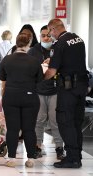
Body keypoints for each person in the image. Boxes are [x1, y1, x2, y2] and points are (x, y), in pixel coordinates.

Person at [45, 18, 88, 168]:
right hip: (82, 87)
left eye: (50, 32)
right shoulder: (78, 39)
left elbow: (51, 71)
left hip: (68, 89)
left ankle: (71, 158)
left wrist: (39, 77)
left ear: (53, 29)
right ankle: (77, 156)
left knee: (65, 122)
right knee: (76, 123)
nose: (50, 35)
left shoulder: (60, 44)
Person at [0, 34, 43, 168]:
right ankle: (30, 159)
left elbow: (1, 76)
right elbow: (40, 79)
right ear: (29, 43)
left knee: (12, 129)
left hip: (11, 96)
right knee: (29, 129)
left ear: (16, 43)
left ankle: (11, 158)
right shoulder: (34, 61)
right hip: (30, 97)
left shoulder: (7, 59)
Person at [28, 25, 64, 160]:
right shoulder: (33, 51)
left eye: (48, 35)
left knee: (55, 121)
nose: (46, 38)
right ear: (39, 36)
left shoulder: (58, 48)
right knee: (39, 120)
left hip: (55, 90)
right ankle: (37, 146)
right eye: (43, 35)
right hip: (39, 90)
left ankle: (59, 148)